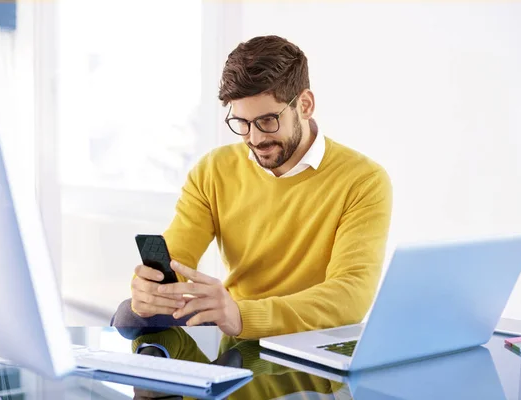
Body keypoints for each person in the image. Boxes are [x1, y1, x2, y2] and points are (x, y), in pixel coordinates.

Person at [126, 35, 392, 339]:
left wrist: (242, 315)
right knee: (129, 315)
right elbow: (176, 258)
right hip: (239, 347)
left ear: (305, 105)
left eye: (267, 121)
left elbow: (351, 295)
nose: (254, 138)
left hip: (318, 346)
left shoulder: (363, 180)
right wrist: (151, 289)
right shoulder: (213, 170)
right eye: (242, 123)